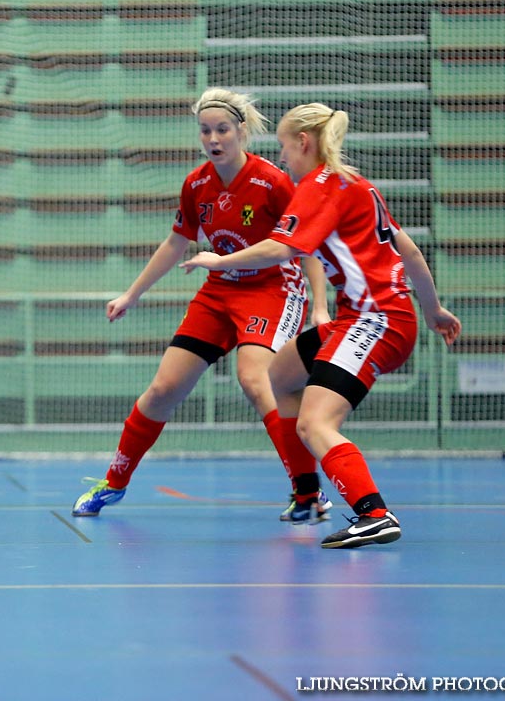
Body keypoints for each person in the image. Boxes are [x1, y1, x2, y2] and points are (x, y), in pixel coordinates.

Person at [182, 103, 461, 549]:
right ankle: (309, 497)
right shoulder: (358, 185)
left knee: (315, 424)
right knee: (280, 376)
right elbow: (409, 252)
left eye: (284, 148)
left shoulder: (318, 187)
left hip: (375, 322)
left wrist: (219, 260)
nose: (282, 158)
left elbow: (278, 249)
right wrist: (433, 311)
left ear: (304, 143)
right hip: (375, 317)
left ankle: (373, 513)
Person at [72, 88, 333, 522]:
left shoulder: (274, 182)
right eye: (205, 130)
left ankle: (307, 492)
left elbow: (308, 248)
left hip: (273, 290)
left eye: (223, 130)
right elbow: (177, 242)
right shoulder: (196, 184)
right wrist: (131, 293)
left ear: (242, 132)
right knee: (162, 390)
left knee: (256, 380)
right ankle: (114, 482)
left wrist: (321, 307)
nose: (213, 139)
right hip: (219, 292)